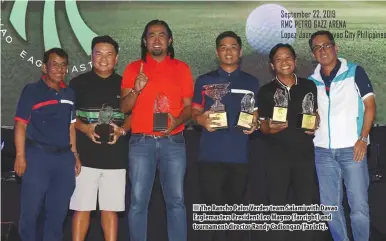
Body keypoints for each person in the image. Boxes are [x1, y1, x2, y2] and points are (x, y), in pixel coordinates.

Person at [120, 19, 194, 241]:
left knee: (176, 202)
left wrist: (175, 122)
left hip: (173, 141)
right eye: (151, 35)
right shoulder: (134, 68)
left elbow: (189, 108)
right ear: (145, 41)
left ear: (169, 40)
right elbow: (124, 107)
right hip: (141, 143)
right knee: (137, 203)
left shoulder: (181, 68)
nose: (157, 39)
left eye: (162, 34)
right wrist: (136, 89)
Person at [308, 30, 376, 241]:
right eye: (317, 48)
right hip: (323, 152)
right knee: (330, 207)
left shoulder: (355, 71)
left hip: (352, 148)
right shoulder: (311, 81)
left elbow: (370, 107)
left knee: (359, 208)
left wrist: (363, 138)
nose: (323, 50)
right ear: (313, 54)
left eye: (326, 45)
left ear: (335, 48)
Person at [191, 31, 259, 241]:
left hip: (239, 157)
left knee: (234, 216)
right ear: (217, 52)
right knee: (212, 216)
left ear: (240, 51)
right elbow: (194, 112)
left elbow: (254, 112)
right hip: (210, 156)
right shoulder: (204, 80)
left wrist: (254, 123)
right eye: (223, 47)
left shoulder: (251, 82)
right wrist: (201, 120)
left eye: (233, 47)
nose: (228, 51)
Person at [13, 48, 81, 241]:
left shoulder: (70, 93)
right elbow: (20, 125)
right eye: (54, 64)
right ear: (44, 67)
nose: (59, 69)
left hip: (63, 160)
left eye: (63, 65)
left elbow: (71, 126)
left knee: (58, 213)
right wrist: (20, 156)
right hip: (37, 157)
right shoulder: (32, 90)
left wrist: (74, 154)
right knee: (30, 211)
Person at [68, 35, 131, 241]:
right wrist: (85, 128)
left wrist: (122, 131)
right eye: (98, 54)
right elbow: (68, 118)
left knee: (110, 209)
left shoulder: (126, 85)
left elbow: (134, 117)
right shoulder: (77, 83)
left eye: (109, 54)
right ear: (91, 56)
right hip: (85, 158)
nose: (103, 59)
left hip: (115, 158)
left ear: (116, 58)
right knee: (81, 207)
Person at [257, 43, 320, 241]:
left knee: (306, 207)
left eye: (288, 58)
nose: (284, 62)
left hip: (304, 156)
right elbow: (263, 126)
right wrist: (270, 128)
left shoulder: (309, 86)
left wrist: (315, 123)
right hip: (277, 157)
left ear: (295, 61)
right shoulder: (266, 91)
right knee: (277, 207)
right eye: (278, 59)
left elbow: (314, 115)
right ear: (272, 65)